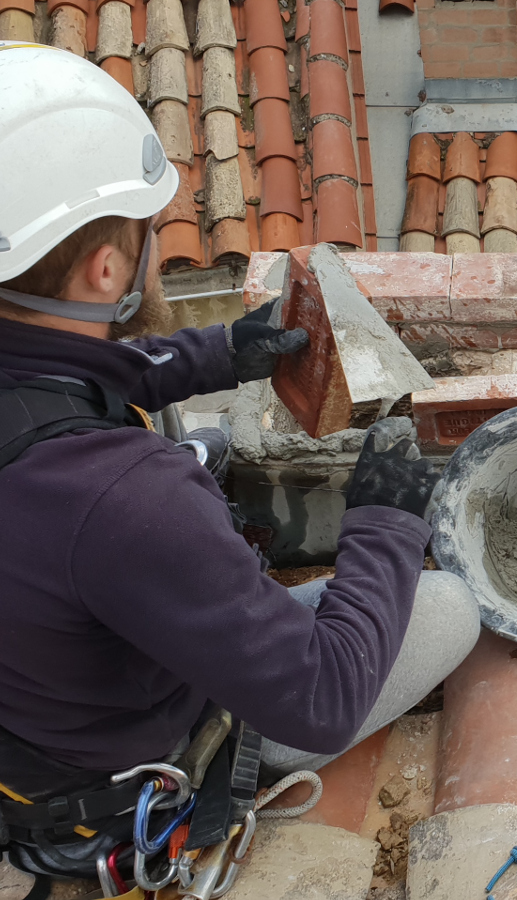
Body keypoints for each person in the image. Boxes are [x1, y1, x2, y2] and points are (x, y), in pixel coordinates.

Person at [0, 43, 479, 880]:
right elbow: (323, 702)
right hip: (113, 776)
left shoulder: (46, 395)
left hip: (34, 700)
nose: (159, 246)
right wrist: (384, 524)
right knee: (445, 608)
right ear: (107, 268)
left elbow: (76, 375)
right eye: (149, 232)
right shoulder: (126, 499)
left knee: (199, 454)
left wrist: (222, 352)